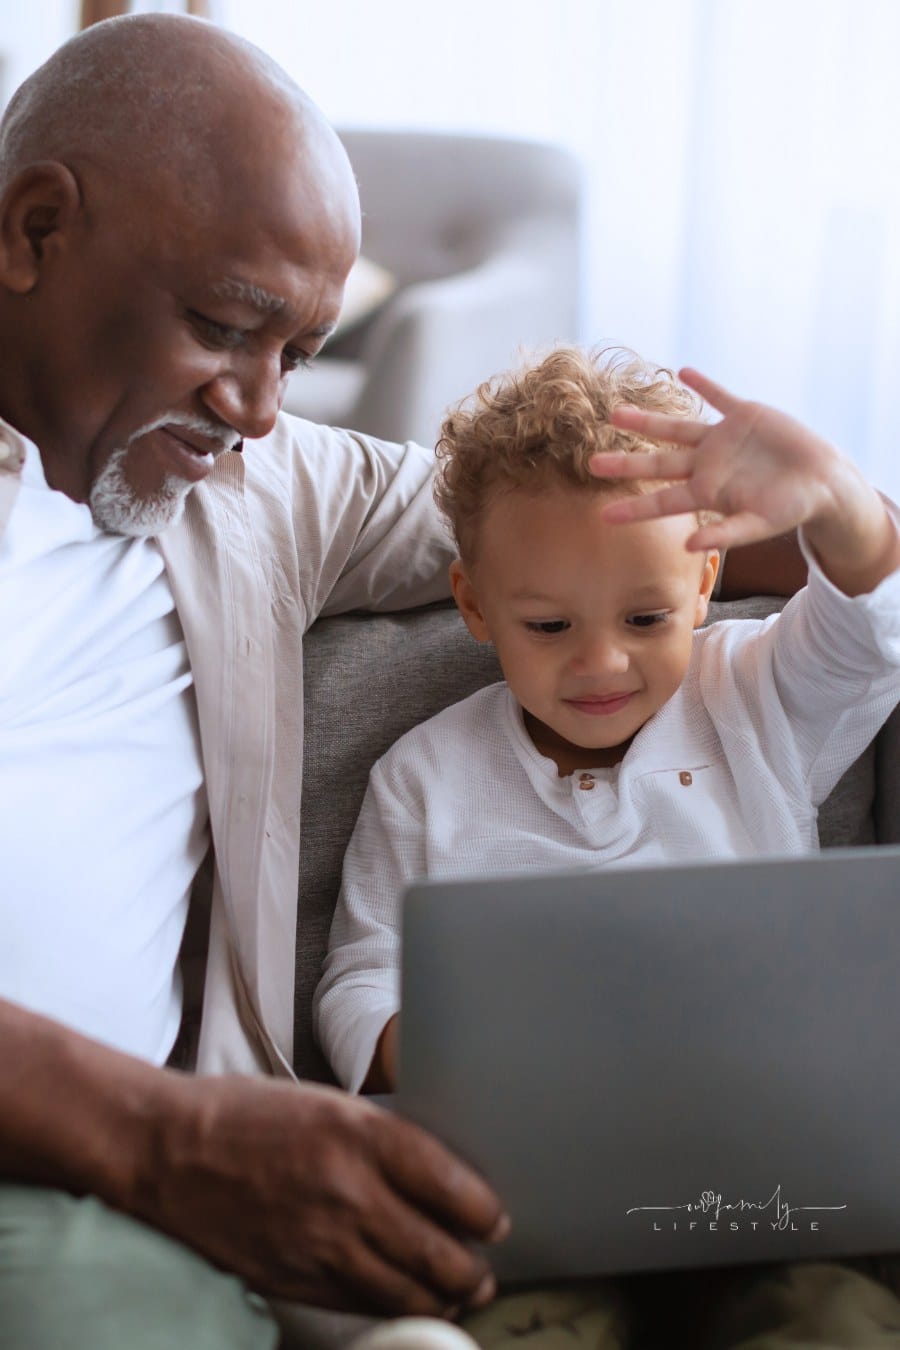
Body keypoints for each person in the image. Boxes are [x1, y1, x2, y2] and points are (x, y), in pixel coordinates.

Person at [0, 13, 815, 1350]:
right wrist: (164, 1137)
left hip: (190, 1188)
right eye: (223, 325)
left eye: (299, 355)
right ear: (36, 231)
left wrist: (850, 516)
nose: (261, 409)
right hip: (109, 1170)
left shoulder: (258, 485)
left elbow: (573, 515)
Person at [314, 346, 900, 1348]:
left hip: (769, 1183)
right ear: (473, 605)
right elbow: (358, 981)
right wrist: (458, 1057)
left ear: (706, 581)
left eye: (645, 617)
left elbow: (874, 630)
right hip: (533, 1209)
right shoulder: (425, 777)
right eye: (547, 625)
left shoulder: (751, 697)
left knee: (836, 1320)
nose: (600, 663)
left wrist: (839, 500)